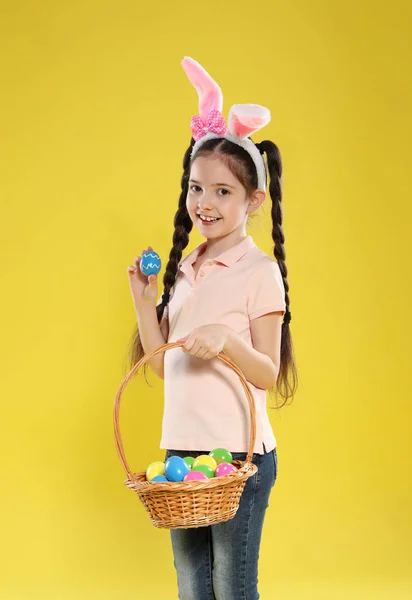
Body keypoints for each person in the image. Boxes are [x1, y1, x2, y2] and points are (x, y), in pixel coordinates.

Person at [126, 57, 298, 600]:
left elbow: (268, 374)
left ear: (253, 200)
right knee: (191, 586)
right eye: (196, 188)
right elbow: (160, 363)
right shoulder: (184, 268)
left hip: (238, 458)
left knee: (231, 585)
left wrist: (227, 341)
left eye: (223, 192)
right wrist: (142, 301)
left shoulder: (258, 272)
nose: (205, 203)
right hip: (182, 454)